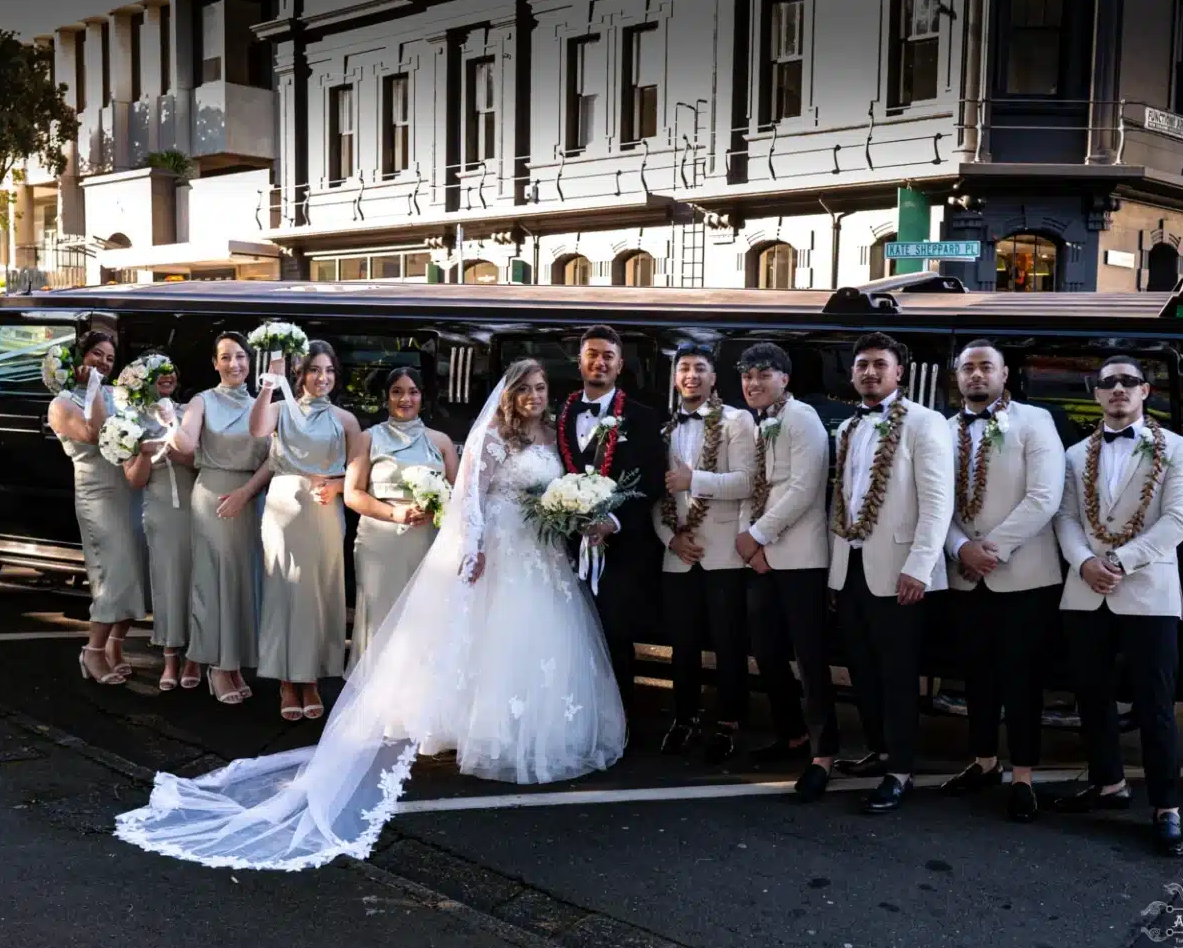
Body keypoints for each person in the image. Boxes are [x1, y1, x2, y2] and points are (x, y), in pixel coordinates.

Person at [114, 359, 626, 871]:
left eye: (541, 387)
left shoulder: (549, 434)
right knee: (493, 638)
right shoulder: (490, 435)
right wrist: (474, 546)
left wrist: (579, 514)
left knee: (533, 644)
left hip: (541, 555)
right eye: (526, 389)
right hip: (498, 550)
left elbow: (552, 491)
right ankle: (484, 731)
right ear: (509, 395)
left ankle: (530, 729)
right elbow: (469, 494)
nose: (534, 395)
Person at [1051, 356, 1183, 857]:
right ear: (1097, 395)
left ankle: (1166, 807)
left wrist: (1116, 560)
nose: (1117, 389)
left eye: (1128, 382)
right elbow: (1065, 519)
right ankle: (1108, 783)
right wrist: (1083, 563)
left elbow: (1179, 520)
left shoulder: (1177, 449)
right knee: (1090, 697)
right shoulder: (1074, 455)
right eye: (1108, 382)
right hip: (1085, 589)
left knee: (1156, 705)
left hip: (1148, 592)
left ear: (1145, 393)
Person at [938, 340, 1065, 822]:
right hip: (964, 575)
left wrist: (990, 550)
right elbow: (932, 502)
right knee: (976, 677)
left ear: (1004, 373)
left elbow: (1044, 496)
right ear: (957, 377)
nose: (976, 375)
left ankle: (1024, 776)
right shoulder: (943, 431)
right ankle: (984, 761)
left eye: (985, 367)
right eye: (967, 368)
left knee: (1023, 679)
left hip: (1024, 576)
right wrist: (959, 548)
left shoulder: (1035, 422)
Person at [827, 333, 953, 814]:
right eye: (862, 365)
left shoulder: (925, 423)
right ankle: (878, 751)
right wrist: (835, 572)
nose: (870, 373)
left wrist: (919, 567)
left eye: (880, 365)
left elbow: (938, 502)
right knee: (861, 668)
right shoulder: (848, 428)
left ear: (900, 372)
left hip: (901, 570)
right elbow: (844, 500)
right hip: (852, 566)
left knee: (899, 674)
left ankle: (899, 768)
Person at [728, 343, 837, 797]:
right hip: (763, 558)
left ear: (785, 379)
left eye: (764, 375)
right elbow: (752, 487)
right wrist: (747, 543)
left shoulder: (802, 418)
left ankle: (822, 754)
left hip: (801, 560)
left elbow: (805, 487)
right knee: (766, 650)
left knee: (811, 659)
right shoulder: (758, 424)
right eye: (748, 375)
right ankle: (790, 733)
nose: (753, 383)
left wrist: (758, 536)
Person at [554, 325, 666, 723]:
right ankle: (575, 717)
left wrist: (613, 522)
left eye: (608, 356)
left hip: (622, 549)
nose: (599, 362)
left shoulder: (642, 418)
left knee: (616, 633)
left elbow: (652, 480)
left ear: (619, 366)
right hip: (567, 546)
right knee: (571, 632)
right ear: (580, 360)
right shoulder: (561, 414)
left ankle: (619, 722)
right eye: (592, 354)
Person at [652, 342, 755, 764]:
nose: (690, 375)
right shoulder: (665, 429)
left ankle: (730, 722)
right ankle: (684, 717)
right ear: (676, 378)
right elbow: (657, 497)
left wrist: (696, 480)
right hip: (678, 551)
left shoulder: (737, 420)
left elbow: (749, 482)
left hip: (724, 551)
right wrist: (669, 538)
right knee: (682, 642)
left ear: (714, 378)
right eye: (683, 369)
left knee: (729, 642)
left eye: (699, 368)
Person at [248, 339, 361, 722]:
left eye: (329, 371)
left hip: (326, 509)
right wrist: (268, 383)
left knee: (320, 591)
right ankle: (285, 679)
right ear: (301, 375)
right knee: (284, 589)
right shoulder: (282, 408)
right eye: (315, 370)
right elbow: (257, 428)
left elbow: (361, 475)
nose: (323, 377)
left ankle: (310, 677)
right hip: (283, 506)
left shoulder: (346, 421)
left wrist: (337, 485)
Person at [170, 333, 272, 705]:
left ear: (251, 361)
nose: (234, 365)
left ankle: (235, 663)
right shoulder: (202, 401)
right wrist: (172, 422)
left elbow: (274, 459)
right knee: (215, 582)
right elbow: (185, 443)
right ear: (214, 363)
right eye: (226, 357)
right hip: (214, 495)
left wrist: (248, 493)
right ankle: (217, 666)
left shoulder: (264, 403)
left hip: (251, 497)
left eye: (241, 357)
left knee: (245, 581)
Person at [46, 330, 149, 685]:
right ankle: (92, 652)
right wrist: (92, 386)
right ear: (80, 358)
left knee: (136, 573)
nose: (103, 363)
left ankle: (115, 647)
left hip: (130, 493)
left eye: (108, 358)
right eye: (96, 355)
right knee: (112, 575)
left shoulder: (113, 392)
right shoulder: (61, 404)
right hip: (98, 496)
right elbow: (98, 432)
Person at [344, 366, 460, 670]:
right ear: (386, 397)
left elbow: (460, 500)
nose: (405, 399)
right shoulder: (368, 438)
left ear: (423, 396)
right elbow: (352, 494)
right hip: (379, 541)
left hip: (427, 543)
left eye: (413, 392)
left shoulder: (441, 442)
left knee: (424, 618)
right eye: (397, 391)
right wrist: (394, 513)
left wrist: (435, 509)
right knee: (379, 617)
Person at [124, 358, 201, 691]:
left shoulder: (190, 414)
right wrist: (143, 454)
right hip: (161, 512)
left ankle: (197, 656)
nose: (166, 376)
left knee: (201, 582)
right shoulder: (130, 421)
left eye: (171, 370)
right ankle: (170, 657)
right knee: (169, 582)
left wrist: (177, 450)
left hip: (198, 507)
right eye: (157, 372)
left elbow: (205, 462)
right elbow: (134, 480)